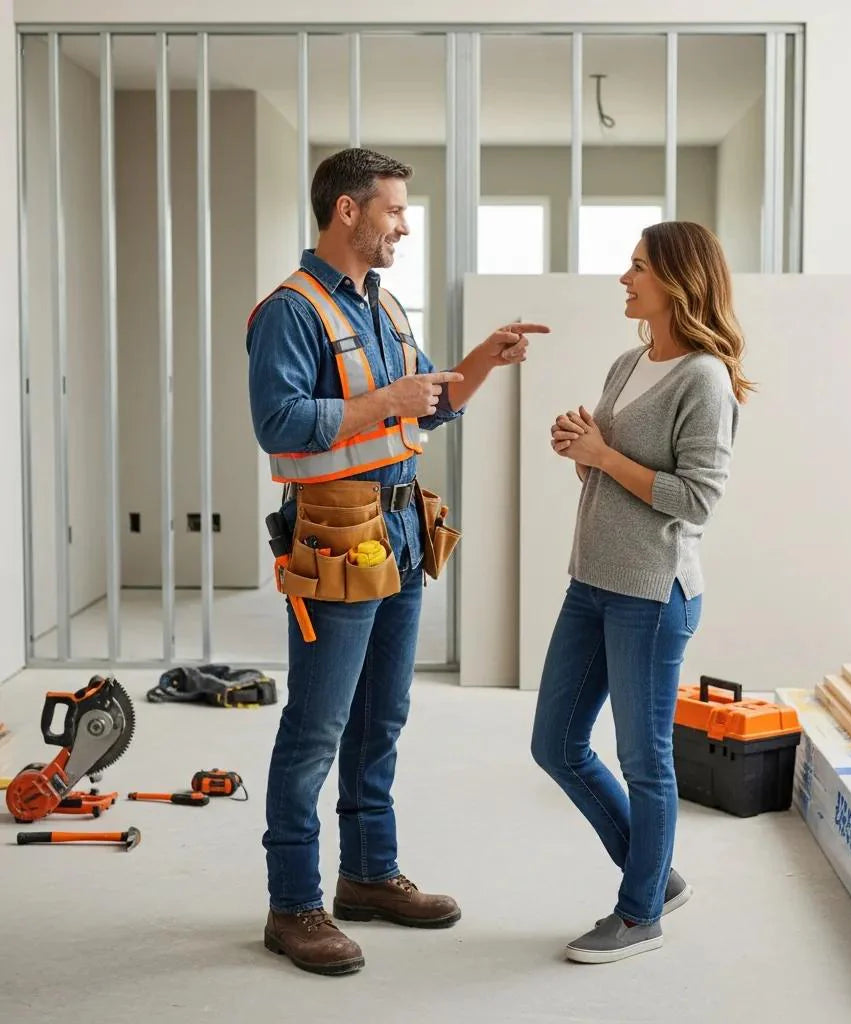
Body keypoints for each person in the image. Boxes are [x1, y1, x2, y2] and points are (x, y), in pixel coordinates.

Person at [247, 148, 548, 976]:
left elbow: (427, 406)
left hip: (402, 531)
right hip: (335, 534)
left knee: (382, 717)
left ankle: (369, 875)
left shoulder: (383, 305)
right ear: (347, 211)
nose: (404, 227)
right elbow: (279, 422)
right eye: (394, 211)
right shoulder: (292, 311)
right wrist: (386, 400)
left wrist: (481, 360)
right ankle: (292, 905)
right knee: (316, 728)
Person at [531, 221, 752, 964]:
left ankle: (639, 914)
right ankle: (656, 875)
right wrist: (581, 450)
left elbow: (697, 500)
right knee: (555, 744)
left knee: (644, 761)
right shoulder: (628, 363)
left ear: (678, 281)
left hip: (653, 594)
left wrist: (603, 455)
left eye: (638, 268)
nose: (625, 280)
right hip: (591, 580)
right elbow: (603, 470)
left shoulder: (705, 379)